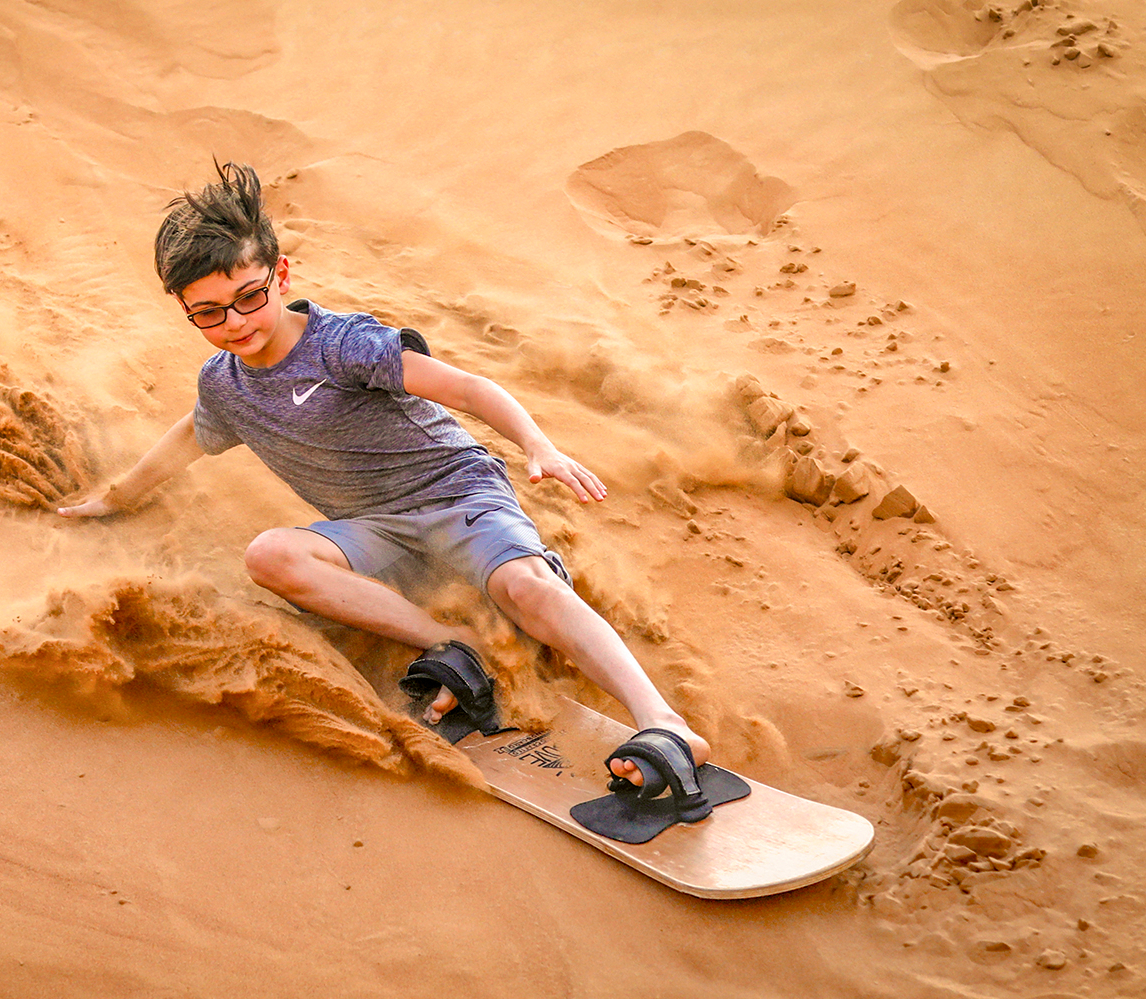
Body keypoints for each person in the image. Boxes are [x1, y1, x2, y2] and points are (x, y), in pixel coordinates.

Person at [59, 162, 709, 796]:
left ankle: (664, 724)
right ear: (183, 308)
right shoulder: (225, 386)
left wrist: (539, 445)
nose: (234, 323)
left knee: (522, 586)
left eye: (249, 298)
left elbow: (467, 386)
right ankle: (457, 647)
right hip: (379, 534)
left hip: (458, 495)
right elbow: (185, 439)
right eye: (208, 313)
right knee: (271, 555)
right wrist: (113, 499)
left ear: (279, 275)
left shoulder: (342, 345)